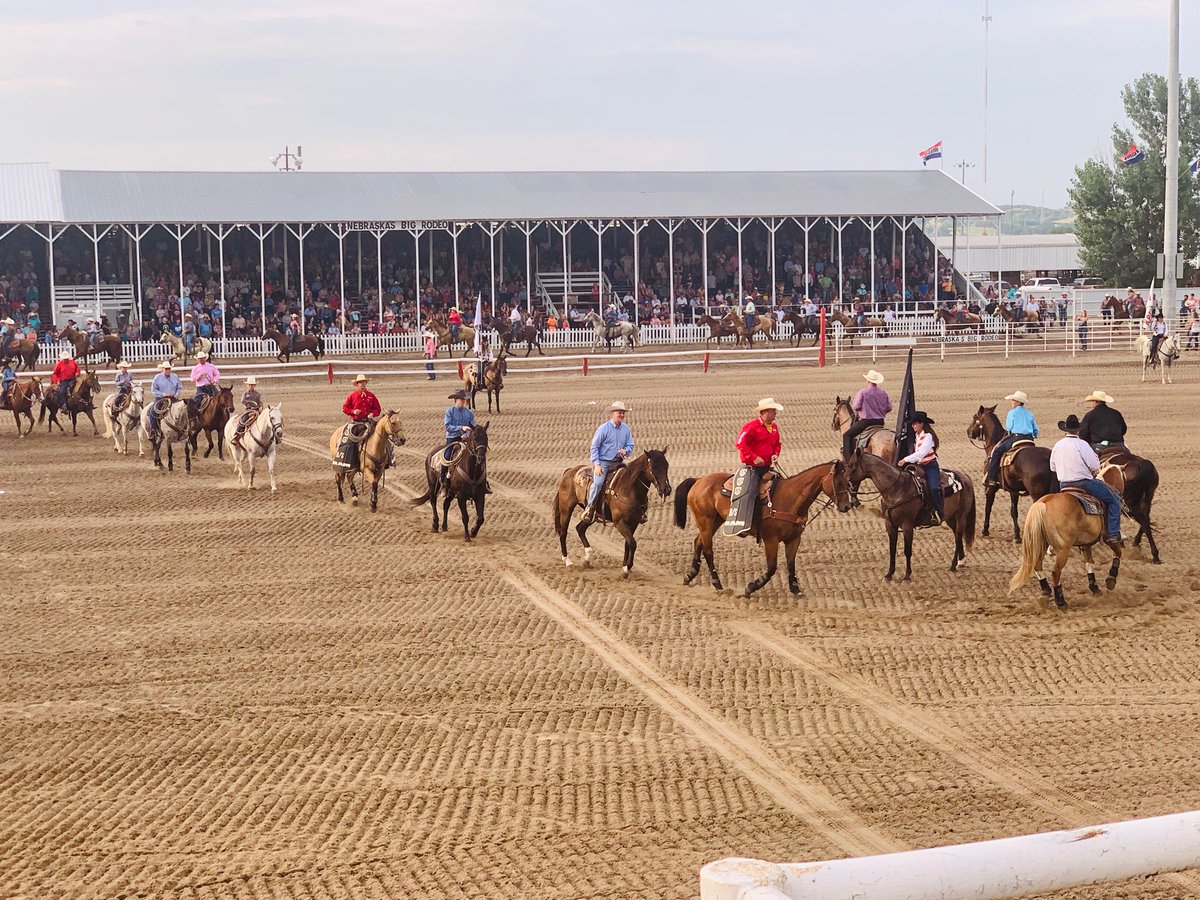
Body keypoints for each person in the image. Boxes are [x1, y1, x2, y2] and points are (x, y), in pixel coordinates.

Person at [1050, 414, 1123, 549]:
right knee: (1114, 500)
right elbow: (1095, 466)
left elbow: (1052, 467)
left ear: (1065, 430)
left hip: (1064, 484)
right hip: (1083, 483)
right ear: (1078, 430)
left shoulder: (1057, 445)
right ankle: (1112, 533)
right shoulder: (1082, 444)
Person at [582, 400, 635, 524]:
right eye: (619, 412)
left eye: (623, 413)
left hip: (618, 462)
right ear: (613, 413)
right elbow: (594, 447)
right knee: (598, 483)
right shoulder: (603, 429)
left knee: (631, 480)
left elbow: (630, 444)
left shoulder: (626, 429)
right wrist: (597, 465)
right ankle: (590, 508)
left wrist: (626, 450)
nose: (621, 415)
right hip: (604, 462)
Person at [985, 390, 1039, 487]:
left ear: (1018, 402)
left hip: (1016, 438)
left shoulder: (1012, 413)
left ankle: (992, 478)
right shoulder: (1029, 413)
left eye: (1013, 400)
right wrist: (1033, 436)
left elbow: (1009, 427)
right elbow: (1036, 430)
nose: (1011, 402)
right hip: (1029, 439)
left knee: (996, 451)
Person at [900, 410, 943, 525]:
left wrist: (905, 459)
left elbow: (921, 453)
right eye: (912, 424)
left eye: (915, 423)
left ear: (922, 424)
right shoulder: (917, 436)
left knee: (933, 487)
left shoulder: (928, 437)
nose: (913, 426)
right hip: (919, 465)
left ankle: (939, 511)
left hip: (930, 466)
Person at [843, 370, 891, 460]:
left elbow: (856, 406)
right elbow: (889, 408)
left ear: (868, 380)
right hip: (880, 422)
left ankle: (848, 461)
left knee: (847, 435)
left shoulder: (863, 392)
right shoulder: (883, 393)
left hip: (866, 422)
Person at [441, 389, 477, 487]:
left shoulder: (469, 412)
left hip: (465, 439)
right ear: (455, 400)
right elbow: (447, 426)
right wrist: (461, 427)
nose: (463, 401)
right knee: (447, 456)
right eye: (460, 399)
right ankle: (443, 479)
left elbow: (474, 427)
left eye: (464, 399)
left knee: (476, 456)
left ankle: (481, 480)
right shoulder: (449, 411)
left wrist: (468, 434)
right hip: (452, 438)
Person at [148, 360, 182, 439]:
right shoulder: (157, 377)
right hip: (161, 398)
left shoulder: (175, 376)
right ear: (162, 369)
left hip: (173, 398)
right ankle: (153, 430)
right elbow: (154, 390)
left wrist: (176, 394)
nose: (168, 370)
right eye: (166, 369)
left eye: (169, 369)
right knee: (153, 411)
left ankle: (184, 428)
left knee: (183, 410)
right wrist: (163, 394)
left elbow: (179, 387)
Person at [230, 376, 263, 449]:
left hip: (256, 410)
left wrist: (258, 406)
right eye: (249, 385)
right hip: (248, 410)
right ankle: (236, 434)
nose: (251, 386)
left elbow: (261, 402)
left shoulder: (257, 394)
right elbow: (243, 401)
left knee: (265, 420)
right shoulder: (245, 394)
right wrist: (251, 402)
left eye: (252, 385)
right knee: (243, 420)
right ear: (247, 385)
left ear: (254, 385)